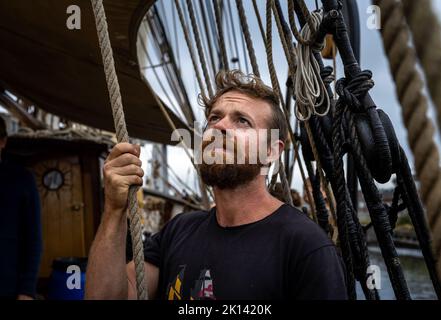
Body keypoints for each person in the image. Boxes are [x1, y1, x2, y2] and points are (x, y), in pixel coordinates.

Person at [85, 70, 347, 300]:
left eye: (242, 121)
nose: (220, 126)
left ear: (271, 151)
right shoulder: (178, 231)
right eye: (214, 118)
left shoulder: (306, 248)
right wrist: (114, 210)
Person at [0, 115, 42, 300]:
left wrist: (26, 290)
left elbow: (33, 238)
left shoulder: (22, 180)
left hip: (7, 285)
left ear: (2, 142)